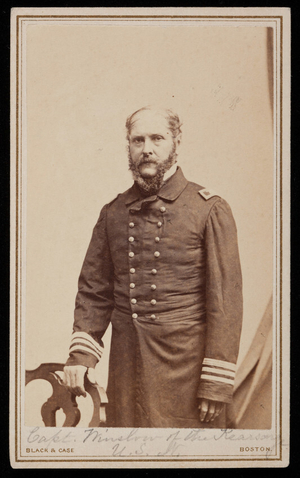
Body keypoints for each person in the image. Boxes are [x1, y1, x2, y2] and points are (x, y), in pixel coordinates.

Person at [63, 106, 243, 428]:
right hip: (126, 370)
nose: (147, 149)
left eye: (157, 139)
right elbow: (94, 291)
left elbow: (225, 304)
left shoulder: (209, 209)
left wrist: (216, 384)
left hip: (186, 377)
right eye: (138, 140)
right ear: (128, 146)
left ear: (176, 142)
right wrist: (80, 357)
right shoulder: (113, 212)